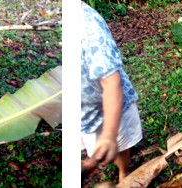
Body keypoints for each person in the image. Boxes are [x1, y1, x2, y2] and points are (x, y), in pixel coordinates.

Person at [80, 2, 143, 181]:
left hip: (109, 111)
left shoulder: (88, 28)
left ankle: (124, 172)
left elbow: (111, 84)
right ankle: (95, 155)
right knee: (91, 142)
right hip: (83, 114)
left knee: (120, 145)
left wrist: (109, 134)